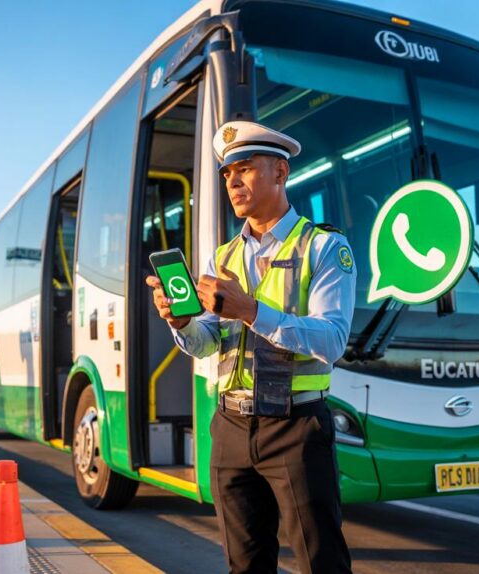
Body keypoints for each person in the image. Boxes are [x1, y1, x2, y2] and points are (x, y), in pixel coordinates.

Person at [146, 121, 355, 573]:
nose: (233, 182)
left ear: (280, 172)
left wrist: (250, 310)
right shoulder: (220, 257)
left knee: (323, 562)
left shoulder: (324, 247)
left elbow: (333, 340)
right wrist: (182, 323)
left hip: (297, 428)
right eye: (227, 174)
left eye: (244, 169)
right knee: (244, 566)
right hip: (231, 426)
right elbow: (207, 344)